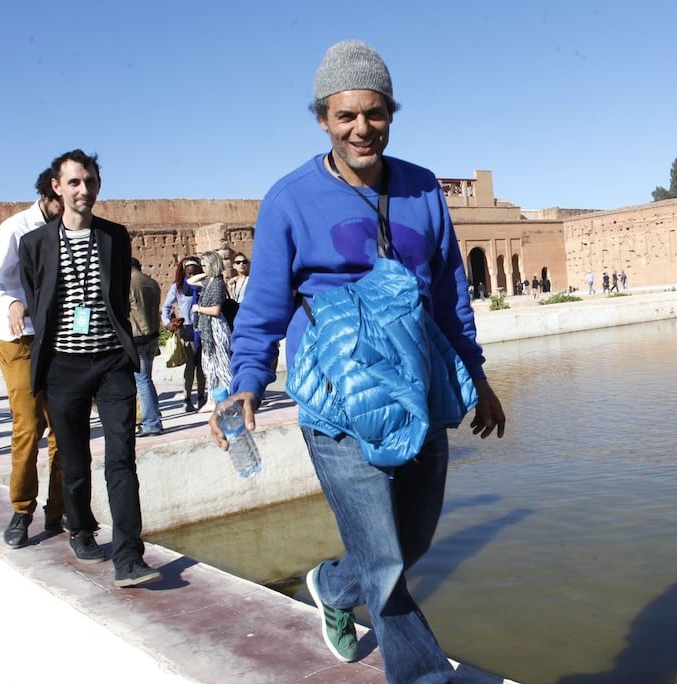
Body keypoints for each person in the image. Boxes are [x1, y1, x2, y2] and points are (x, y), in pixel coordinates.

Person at [213, 39, 506, 682]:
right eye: (346, 115)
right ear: (323, 118)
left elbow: (451, 291)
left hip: (419, 385)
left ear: (391, 114)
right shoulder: (289, 199)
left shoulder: (423, 189)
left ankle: (329, 583)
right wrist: (247, 384)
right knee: (385, 560)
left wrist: (477, 377)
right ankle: (425, 673)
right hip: (334, 395)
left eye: (374, 113)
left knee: (412, 542)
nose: (361, 128)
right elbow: (262, 304)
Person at [19, 149, 161, 588]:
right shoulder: (35, 243)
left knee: (122, 458)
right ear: (57, 188)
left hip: (112, 364)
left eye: (92, 181)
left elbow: (118, 295)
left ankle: (129, 557)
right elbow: (36, 297)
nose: (85, 190)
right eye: (76, 182)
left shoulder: (115, 237)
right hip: (64, 367)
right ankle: (80, 528)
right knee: (75, 460)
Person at [0, 168, 66, 546]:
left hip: (59, 339)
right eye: (70, 192)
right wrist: (12, 302)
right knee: (28, 425)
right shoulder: (15, 229)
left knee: (64, 428)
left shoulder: (73, 231)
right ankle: (21, 510)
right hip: (20, 341)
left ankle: (59, 510)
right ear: (51, 192)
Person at [161, 257, 206, 412]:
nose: (191, 274)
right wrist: (167, 323)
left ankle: (202, 397)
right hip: (187, 329)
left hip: (204, 328)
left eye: (194, 271)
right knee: (191, 364)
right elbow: (166, 307)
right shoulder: (178, 287)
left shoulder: (204, 285)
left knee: (202, 366)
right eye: (188, 271)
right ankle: (187, 398)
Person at [192, 250, 233, 410]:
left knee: (223, 364)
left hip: (216, 327)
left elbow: (215, 310)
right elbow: (191, 281)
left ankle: (233, 396)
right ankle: (212, 399)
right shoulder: (209, 281)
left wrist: (199, 308)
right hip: (207, 328)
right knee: (209, 365)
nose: (202, 268)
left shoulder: (217, 283)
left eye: (204, 265)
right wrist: (205, 274)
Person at [129, 258, 163, 437]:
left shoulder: (128, 284)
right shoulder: (152, 282)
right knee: (147, 381)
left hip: (137, 338)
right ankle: (155, 416)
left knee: (142, 382)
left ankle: (151, 423)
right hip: (152, 336)